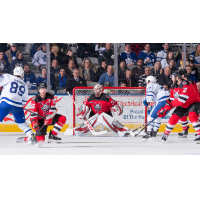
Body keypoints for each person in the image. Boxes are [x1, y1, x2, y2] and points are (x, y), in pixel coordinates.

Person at [158, 71, 200, 143]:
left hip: (193, 102)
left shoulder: (186, 84)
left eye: (173, 77)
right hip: (184, 105)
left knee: (192, 115)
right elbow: (172, 99)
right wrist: (165, 108)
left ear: (177, 77)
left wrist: (171, 104)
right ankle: (165, 134)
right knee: (174, 117)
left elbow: (182, 99)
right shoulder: (173, 86)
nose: (172, 78)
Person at [0, 67, 37, 145]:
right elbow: (24, 100)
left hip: (5, 103)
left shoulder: (8, 77)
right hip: (17, 106)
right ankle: (31, 136)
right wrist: (19, 107)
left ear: (13, 73)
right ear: (22, 75)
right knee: (22, 123)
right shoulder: (24, 85)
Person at [142, 76, 170, 140]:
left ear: (149, 81)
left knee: (150, 117)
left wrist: (146, 101)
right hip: (168, 102)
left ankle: (149, 133)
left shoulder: (151, 84)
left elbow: (150, 97)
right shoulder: (158, 86)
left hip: (161, 101)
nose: (147, 83)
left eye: (147, 81)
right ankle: (154, 132)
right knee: (158, 117)